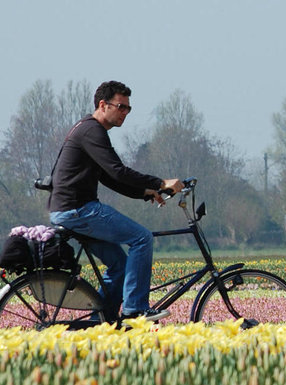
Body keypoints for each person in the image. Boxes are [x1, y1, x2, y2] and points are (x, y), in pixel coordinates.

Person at [48, 81, 184, 322]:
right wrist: (160, 183)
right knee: (141, 238)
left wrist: (144, 192)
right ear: (103, 105)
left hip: (69, 210)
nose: (125, 113)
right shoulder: (92, 131)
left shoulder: (88, 130)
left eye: (128, 109)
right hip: (78, 210)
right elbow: (118, 171)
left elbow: (110, 178)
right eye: (121, 107)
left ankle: (100, 322)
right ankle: (135, 308)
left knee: (120, 266)